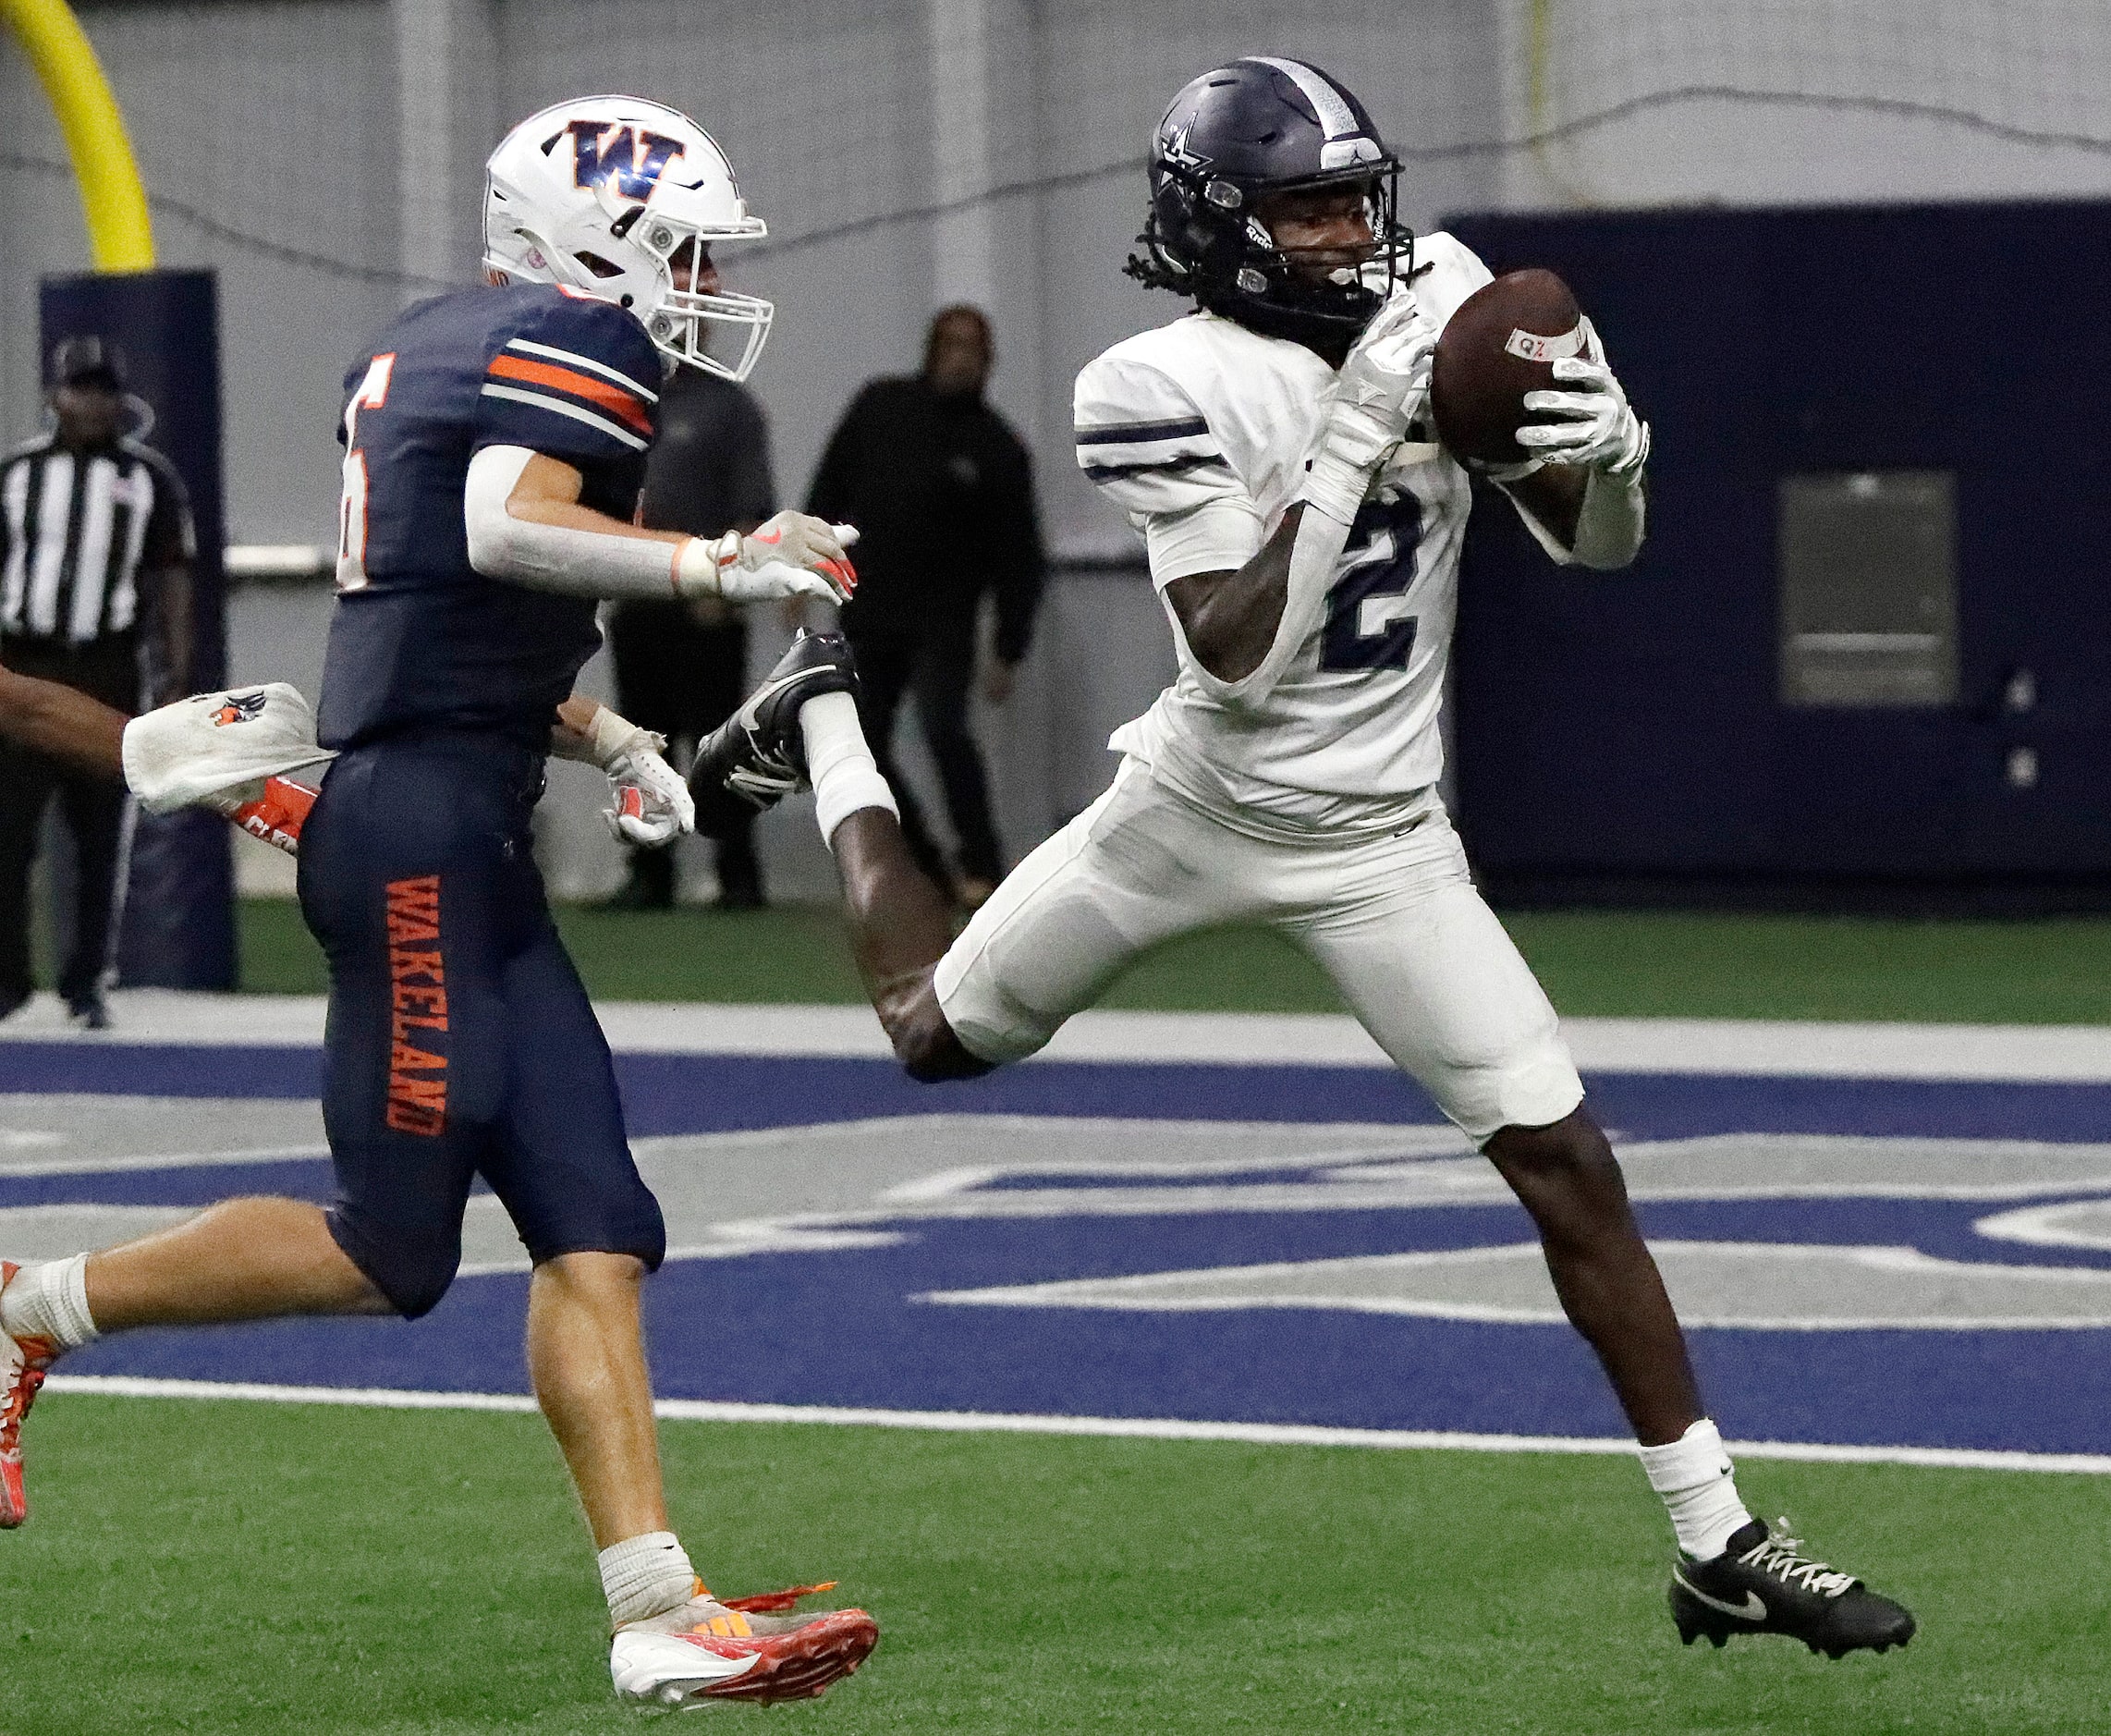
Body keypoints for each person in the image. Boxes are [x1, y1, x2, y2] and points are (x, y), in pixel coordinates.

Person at [697, 57, 1914, 1662]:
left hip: (1383, 838)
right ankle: (827, 720)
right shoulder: (1146, 380)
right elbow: (1235, 659)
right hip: (1198, 804)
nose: (1352, 232)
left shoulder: (1446, 299)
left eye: (1357, 197)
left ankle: (1717, 1540)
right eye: (1309, 207)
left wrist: (1611, 456)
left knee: (1566, 1161)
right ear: (1221, 226)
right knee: (930, 1027)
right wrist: (1350, 431)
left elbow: (1589, 545)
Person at [0, 95, 878, 1711]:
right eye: (675, 244)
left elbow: (439, 611)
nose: (691, 277)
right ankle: (24, 1307)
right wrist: (723, 562)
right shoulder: (575, 344)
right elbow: (502, 530)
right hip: (413, 841)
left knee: (598, 1227)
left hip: (452, 824)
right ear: (591, 238)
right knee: (382, 1250)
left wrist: (606, 732)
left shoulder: (430, 342)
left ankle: (654, 1609)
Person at [807, 305, 1043, 907]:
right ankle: (928, 870)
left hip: (945, 623)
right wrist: (801, 572)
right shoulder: (880, 407)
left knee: (945, 733)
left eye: (973, 349)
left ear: (987, 363)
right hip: (869, 610)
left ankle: (983, 864)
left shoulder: (998, 448)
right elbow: (829, 490)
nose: (961, 358)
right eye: (951, 346)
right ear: (932, 350)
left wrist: (1008, 647)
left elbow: (1020, 559)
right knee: (865, 745)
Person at [0, 336, 195, 1029]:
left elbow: (172, 577)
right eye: (80, 389)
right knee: (8, 833)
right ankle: (9, 979)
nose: (93, 402)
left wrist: (177, 670)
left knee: (98, 837)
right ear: (55, 396)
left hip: (107, 665)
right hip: (23, 660)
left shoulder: (148, 480)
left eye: (104, 390)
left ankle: (85, 983)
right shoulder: (16, 472)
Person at [604, 361, 778, 910]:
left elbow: (754, 507)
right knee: (639, 743)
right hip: (639, 597)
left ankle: (738, 877)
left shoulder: (730, 407)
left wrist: (728, 588)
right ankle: (649, 874)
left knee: (722, 747)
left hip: (706, 605)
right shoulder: (627, 398)